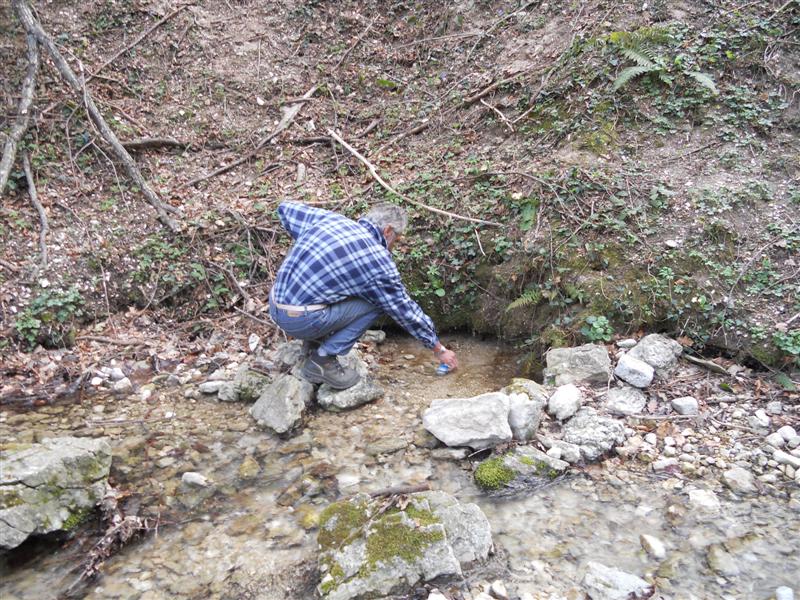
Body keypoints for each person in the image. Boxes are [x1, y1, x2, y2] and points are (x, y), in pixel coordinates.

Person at [269, 201, 458, 389]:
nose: (393, 247)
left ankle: (312, 343)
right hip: (300, 320)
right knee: (378, 303)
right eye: (396, 240)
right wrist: (438, 349)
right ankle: (322, 360)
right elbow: (404, 310)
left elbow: (285, 208)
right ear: (388, 231)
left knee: (340, 287)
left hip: (275, 305)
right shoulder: (377, 261)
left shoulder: (332, 220)